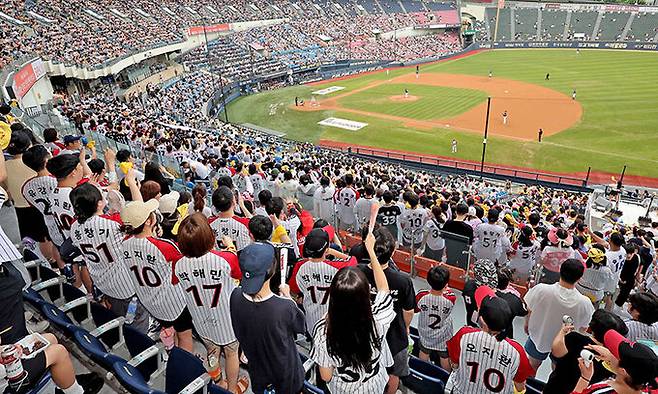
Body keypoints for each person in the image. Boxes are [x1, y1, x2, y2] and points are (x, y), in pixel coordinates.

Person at [310, 231, 395, 393]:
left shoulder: (323, 331)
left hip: (343, 389)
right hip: (373, 387)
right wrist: (371, 252)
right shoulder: (378, 319)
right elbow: (384, 288)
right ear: (366, 295)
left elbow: (326, 376)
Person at [174, 214, 248, 393]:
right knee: (231, 354)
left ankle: (218, 380)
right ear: (209, 237)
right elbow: (237, 274)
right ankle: (230, 389)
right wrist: (230, 245)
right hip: (226, 319)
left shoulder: (178, 264)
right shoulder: (224, 258)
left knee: (212, 350)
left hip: (200, 317)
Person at [69, 180, 149, 332]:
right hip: (126, 285)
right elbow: (140, 212)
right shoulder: (113, 223)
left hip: (102, 281)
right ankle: (139, 346)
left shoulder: (74, 228)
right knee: (137, 322)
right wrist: (132, 183)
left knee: (118, 313)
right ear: (99, 204)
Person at [229, 243, 306, 394]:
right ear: (271, 270)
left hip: (257, 370)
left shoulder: (235, 296)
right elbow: (301, 327)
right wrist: (288, 297)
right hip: (286, 377)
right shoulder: (284, 307)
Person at [120, 199, 193, 352]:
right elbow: (180, 272)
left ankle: (170, 350)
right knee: (184, 335)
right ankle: (186, 365)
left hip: (149, 300)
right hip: (174, 303)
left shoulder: (124, 243)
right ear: (148, 221)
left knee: (168, 329)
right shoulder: (164, 246)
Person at [358, 227, 415, 394]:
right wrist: (405, 327)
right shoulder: (403, 281)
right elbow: (409, 311)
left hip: (364, 333)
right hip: (394, 337)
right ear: (393, 250)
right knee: (394, 374)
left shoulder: (357, 272)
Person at [447, 286, 534, 394]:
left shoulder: (464, 334)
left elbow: (454, 365)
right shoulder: (517, 350)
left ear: (482, 318)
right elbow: (520, 386)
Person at [523, 258, 595, 370]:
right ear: (580, 278)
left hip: (538, 336)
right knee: (557, 371)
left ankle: (528, 387)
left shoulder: (541, 290)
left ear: (560, 271)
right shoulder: (585, 303)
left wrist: (527, 324)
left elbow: (529, 309)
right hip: (564, 345)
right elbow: (583, 328)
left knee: (532, 367)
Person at [288, 228, 357, 333]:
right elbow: (352, 260)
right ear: (326, 249)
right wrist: (331, 251)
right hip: (334, 322)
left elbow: (294, 289)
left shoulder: (300, 266)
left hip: (312, 322)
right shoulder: (338, 267)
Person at [544, 309, 628, 394]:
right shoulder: (612, 358)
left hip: (557, 386)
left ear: (591, 327)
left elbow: (556, 352)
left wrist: (562, 331)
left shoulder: (574, 338)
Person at [0, 333, 104, 394]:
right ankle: (76, 392)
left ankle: (62, 382)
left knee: (50, 338)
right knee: (59, 352)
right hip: (5, 380)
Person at [574, 329, 658, 393]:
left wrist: (585, 378)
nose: (611, 353)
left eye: (615, 354)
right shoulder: (650, 383)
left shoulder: (598, 391)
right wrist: (611, 358)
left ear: (623, 371)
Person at [414, 266, 455, 370]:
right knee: (444, 356)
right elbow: (448, 293)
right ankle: (446, 376)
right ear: (446, 284)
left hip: (426, 332)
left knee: (424, 351)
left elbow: (415, 309)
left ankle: (423, 371)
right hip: (443, 335)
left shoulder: (421, 295)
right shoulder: (451, 298)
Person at [209, 186, 252, 251]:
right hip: (239, 260)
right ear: (233, 202)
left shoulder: (208, 223)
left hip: (217, 260)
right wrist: (242, 206)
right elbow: (257, 223)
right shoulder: (245, 223)